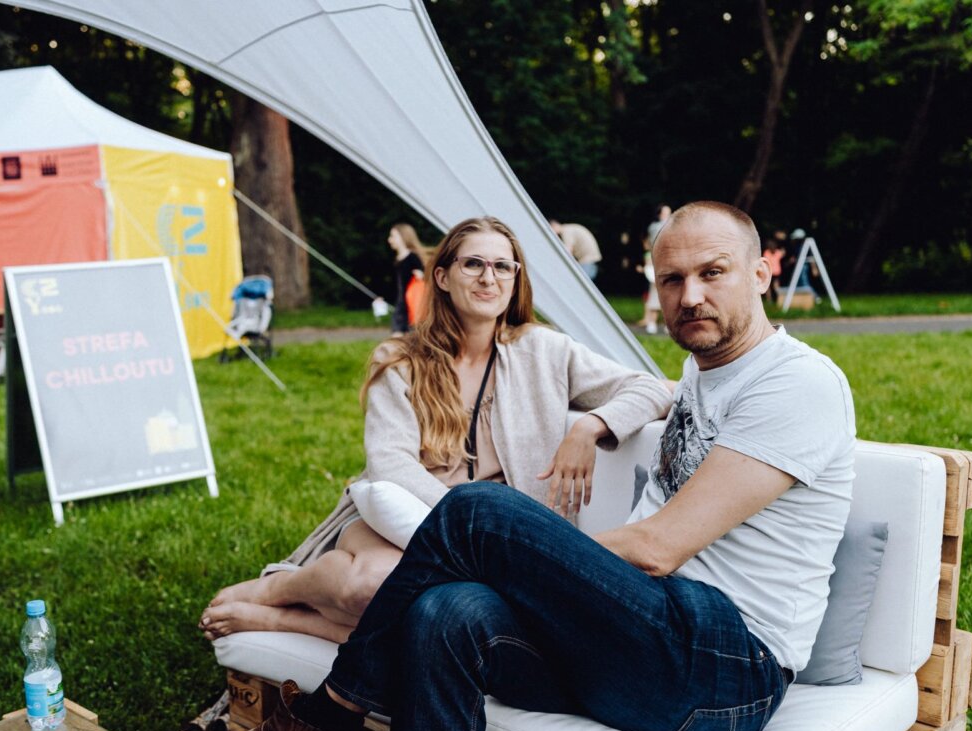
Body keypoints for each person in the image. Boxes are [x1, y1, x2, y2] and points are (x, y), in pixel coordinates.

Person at [168, 201, 856, 731]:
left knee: (476, 513)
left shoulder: (796, 383)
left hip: (726, 667)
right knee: (447, 610)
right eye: (670, 279)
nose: (689, 296)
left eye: (713, 273)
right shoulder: (701, 374)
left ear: (762, 273)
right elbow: (392, 465)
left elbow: (656, 548)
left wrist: (525, 548)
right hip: (643, 646)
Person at [200, 216, 671, 645]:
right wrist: (466, 522)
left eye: (504, 268)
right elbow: (388, 463)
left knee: (428, 613)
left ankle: (287, 619)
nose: (490, 278)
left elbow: (655, 388)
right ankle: (281, 587)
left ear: (515, 282)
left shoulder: (545, 351)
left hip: (494, 545)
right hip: (403, 519)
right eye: (474, 264)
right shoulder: (401, 360)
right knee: (369, 584)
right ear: (442, 277)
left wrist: (591, 425)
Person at [386, 223, 426, 336]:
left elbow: (424, 279)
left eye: (393, 236)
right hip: (400, 305)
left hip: (412, 304)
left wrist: (421, 275)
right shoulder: (397, 259)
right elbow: (395, 285)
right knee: (398, 337)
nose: (390, 240)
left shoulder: (413, 258)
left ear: (403, 237)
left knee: (410, 337)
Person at [639, 204, 671, 333]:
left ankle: (668, 325)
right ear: (659, 214)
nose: (668, 215)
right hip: (657, 264)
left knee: (670, 296)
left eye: (670, 212)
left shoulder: (670, 226)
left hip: (668, 263)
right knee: (655, 294)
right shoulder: (655, 227)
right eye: (666, 213)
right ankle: (651, 323)